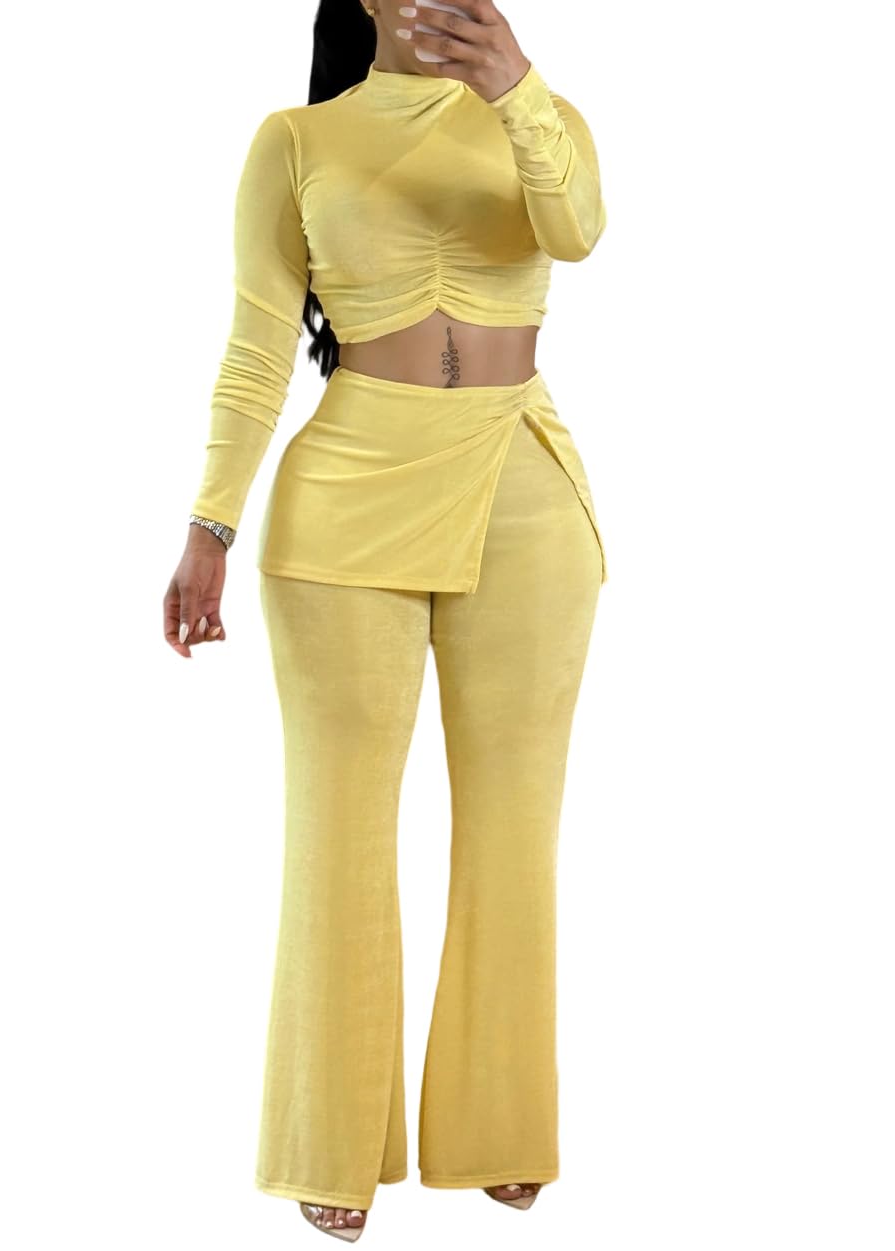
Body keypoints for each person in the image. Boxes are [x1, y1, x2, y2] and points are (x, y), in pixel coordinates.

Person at [163, 0, 609, 1240]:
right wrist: (209, 525)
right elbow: (258, 346)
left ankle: (500, 1124)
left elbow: (576, 233)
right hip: (345, 500)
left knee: (516, 823)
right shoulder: (296, 140)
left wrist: (516, 87)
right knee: (339, 830)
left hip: (522, 490)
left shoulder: (543, 113)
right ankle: (332, 1139)